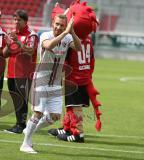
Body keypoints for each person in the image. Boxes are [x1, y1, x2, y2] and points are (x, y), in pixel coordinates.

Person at [20, 14, 81, 154]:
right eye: (57, 24)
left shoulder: (67, 37)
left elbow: (78, 48)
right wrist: (66, 32)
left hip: (55, 83)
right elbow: (49, 45)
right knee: (38, 113)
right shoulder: (45, 35)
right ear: (52, 23)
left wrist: (72, 33)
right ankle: (25, 144)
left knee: (54, 117)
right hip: (41, 80)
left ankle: (29, 129)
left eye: (62, 25)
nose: (59, 27)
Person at [48, 0, 101, 143]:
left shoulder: (71, 40)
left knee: (75, 106)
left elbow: (66, 60)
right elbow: (92, 60)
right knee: (70, 105)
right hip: (83, 76)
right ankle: (67, 128)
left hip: (75, 78)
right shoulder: (88, 40)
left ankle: (78, 133)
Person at [3, 10, 38, 134]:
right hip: (11, 73)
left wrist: (18, 42)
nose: (16, 22)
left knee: (21, 100)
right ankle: (19, 123)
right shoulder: (13, 34)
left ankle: (22, 124)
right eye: (15, 19)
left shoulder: (31, 35)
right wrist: (8, 44)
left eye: (19, 20)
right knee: (15, 100)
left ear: (25, 21)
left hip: (24, 74)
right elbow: (4, 54)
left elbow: (30, 51)